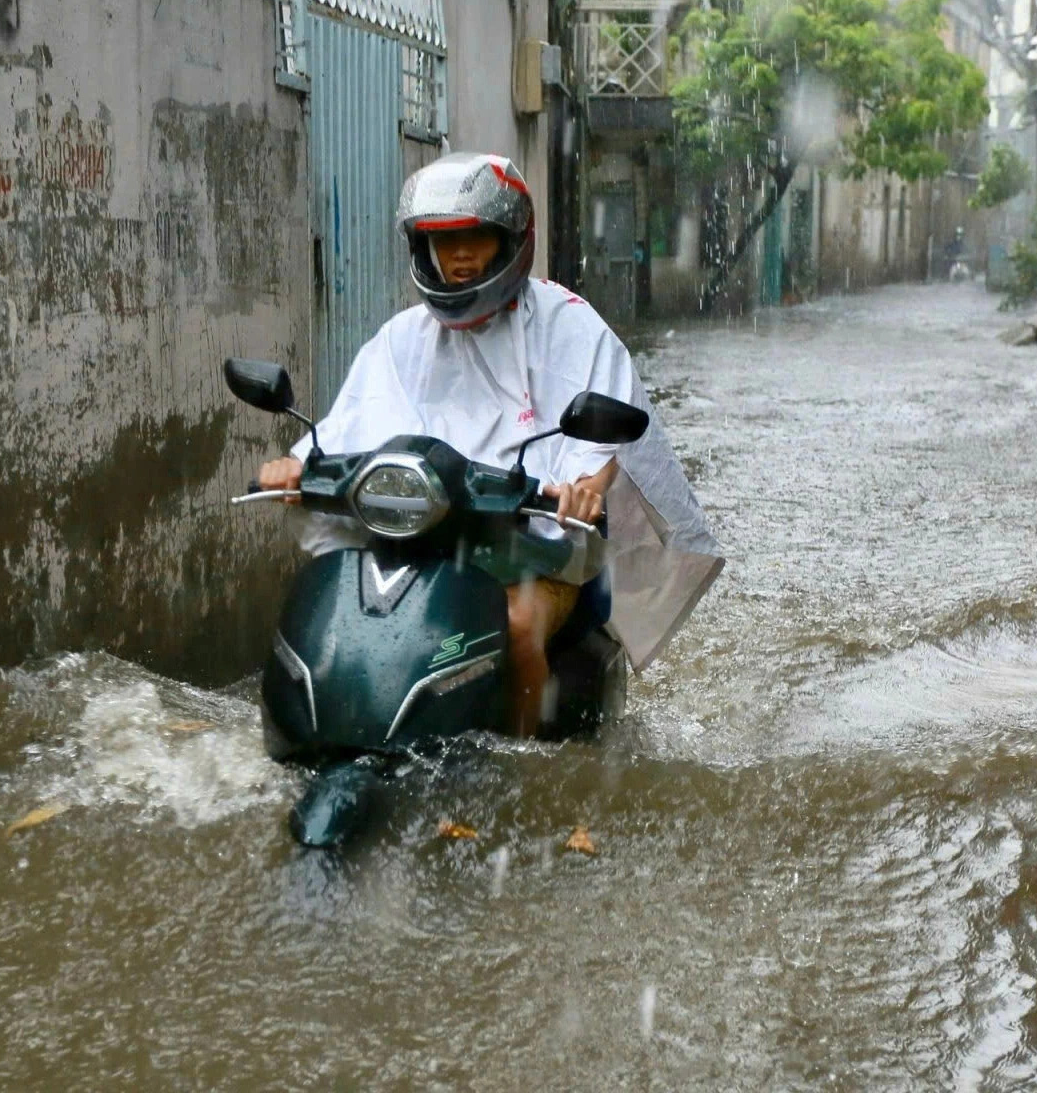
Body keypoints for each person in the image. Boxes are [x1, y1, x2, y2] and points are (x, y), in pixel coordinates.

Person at [255, 152, 721, 735]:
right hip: (425, 540)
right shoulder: (401, 340)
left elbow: (600, 441)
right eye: (444, 244)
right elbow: (349, 424)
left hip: (535, 550)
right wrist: (294, 469)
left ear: (512, 242)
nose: (461, 257)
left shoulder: (568, 326)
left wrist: (581, 491)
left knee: (519, 626)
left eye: (475, 238)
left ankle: (518, 765)